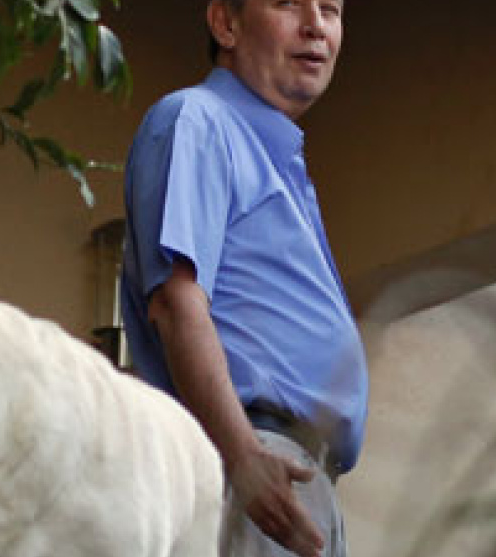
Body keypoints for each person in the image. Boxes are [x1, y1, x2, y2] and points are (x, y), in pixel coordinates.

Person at [119, 1, 367, 556]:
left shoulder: (276, 156)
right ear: (225, 23)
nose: (316, 26)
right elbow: (177, 305)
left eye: (330, 9)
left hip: (295, 477)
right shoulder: (198, 119)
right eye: (288, 3)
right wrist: (242, 456)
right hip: (247, 460)